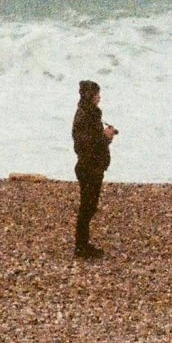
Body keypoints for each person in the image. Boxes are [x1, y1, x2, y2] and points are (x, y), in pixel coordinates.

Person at [71, 79, 116, 259]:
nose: (99, 96)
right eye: (97, 93)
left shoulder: (89, 114)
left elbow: (90, 141)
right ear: (90, 96)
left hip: (92, 167)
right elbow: (87, 144)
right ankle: (81, 246)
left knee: (89, 206)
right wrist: (105, 137)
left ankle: (83, 244)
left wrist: (105, 137)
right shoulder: (86, 115)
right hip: (88, 167)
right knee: (87, 207)